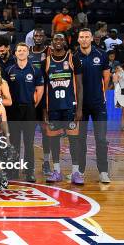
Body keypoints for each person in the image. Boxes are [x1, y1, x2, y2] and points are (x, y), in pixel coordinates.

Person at [44, 33, 83, 185]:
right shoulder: (47, 61)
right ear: (52, 43)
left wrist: (79, 108)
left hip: (70, 107)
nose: (58, 42)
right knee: (54, 140)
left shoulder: (73, 58)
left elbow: (79, 86)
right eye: (55, 39)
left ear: (65, 42)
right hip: (53, 108)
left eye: (61, 39)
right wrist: (44, 110)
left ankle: (75, 172)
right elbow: (43, 87)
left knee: (74, 140)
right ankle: (57, 171)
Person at [74, 28, 112, 184]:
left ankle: (103, 171)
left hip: (98, 105)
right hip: (81, 105)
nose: (84, 39)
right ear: (78, 40)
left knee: (101, 139)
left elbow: (107, 77)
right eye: (81, 37)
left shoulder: (101, 55)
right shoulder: (74, 57)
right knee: (80, 139)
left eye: (86, 37)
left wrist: (100, 94)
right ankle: (80, 171)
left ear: (91, 39)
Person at [5, 43, 44, 182]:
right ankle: (13, 171)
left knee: (29, 143)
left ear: (28, 53)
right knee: (14, 143)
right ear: (15, 53)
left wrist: (32, 105)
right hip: (13, 110)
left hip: (29, 110)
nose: (21, 52)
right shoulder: (9, 70)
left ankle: (29, 172)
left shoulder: (34, 70)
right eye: (19, 50)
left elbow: (40, 89)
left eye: (24, 50)